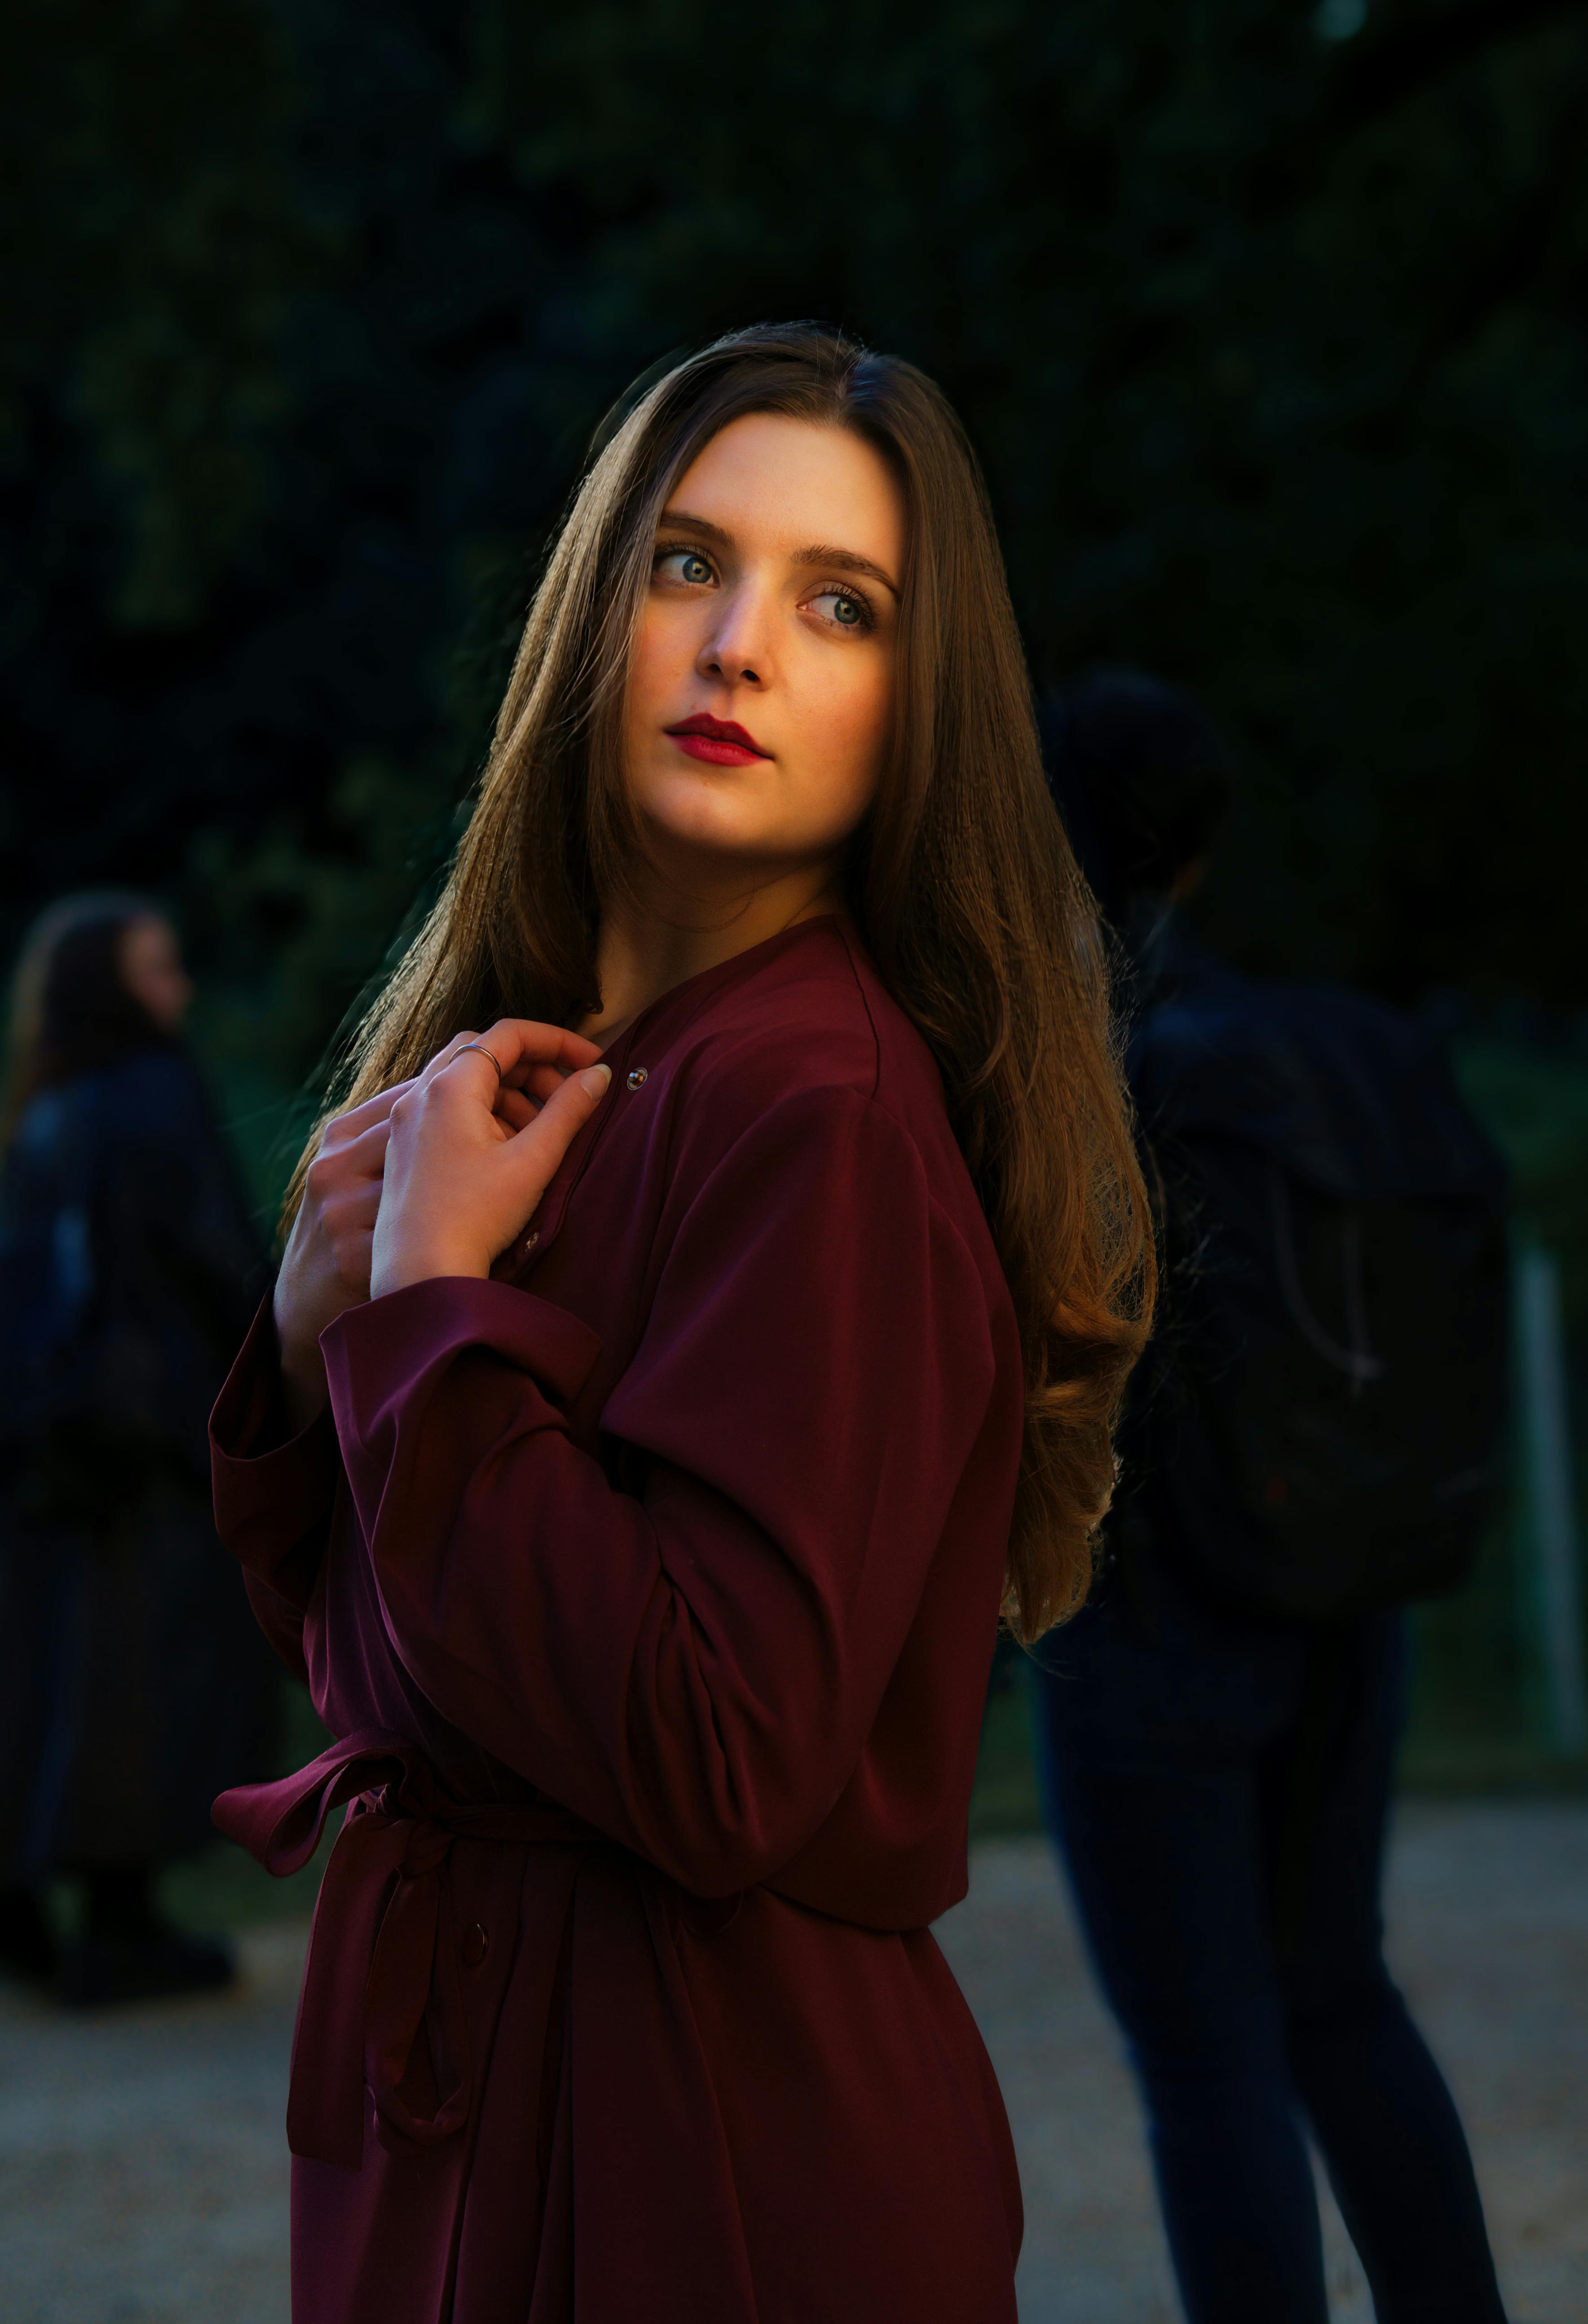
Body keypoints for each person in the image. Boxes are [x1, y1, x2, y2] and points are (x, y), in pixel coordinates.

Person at [206, 324, 1154, 2323]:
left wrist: (444, 1323)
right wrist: (322, 1358)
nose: (740, 647)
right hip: (471, 2110)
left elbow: (715, 1757)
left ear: (917, 710)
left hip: (699, 2164)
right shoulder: (541, 1088)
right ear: (592, 605)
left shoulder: (817, 1107)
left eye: (839, 605)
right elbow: (405, 1675)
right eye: (685, 563)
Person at [1031, 672, 1510, 2324]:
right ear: (1195, 850)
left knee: (1204, 2058)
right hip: (1337, 1595)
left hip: (1154, 1617)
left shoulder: (1064, 1065)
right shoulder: (1291, 1050)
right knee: (1338, 2001)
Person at [0, 892, 273, 2002]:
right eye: (158, 969)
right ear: (109, 988)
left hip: (52, 1444)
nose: (181, 991)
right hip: (153, 1434)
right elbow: (219, 1259)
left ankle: (47, 1900)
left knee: (60, 1668)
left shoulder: (44, 1117)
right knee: (148, 1671)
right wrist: (281, 1378)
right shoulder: (158, 1093)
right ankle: (123, 1924)